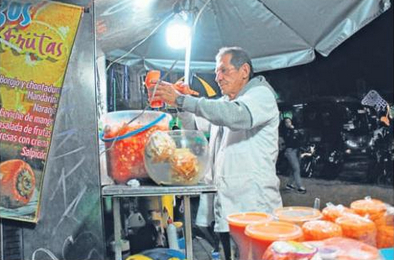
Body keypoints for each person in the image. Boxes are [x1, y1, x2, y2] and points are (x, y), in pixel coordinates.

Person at [153, 46, 283, 260]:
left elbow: (237, 116)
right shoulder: (225, 103)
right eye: (216, 72)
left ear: (244, 70)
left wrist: (182, 100)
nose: (218, 78)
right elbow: (195, 126)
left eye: (224, 71)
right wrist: (183, 104)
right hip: (227, 207)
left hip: (254, 207)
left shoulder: (260, 95)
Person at [282, 117, 307, 194]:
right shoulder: (285, 131)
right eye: (286, 122)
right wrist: (293, 130)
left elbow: (300, 138)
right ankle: (300, 187)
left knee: (294, 169)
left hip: (297, 150)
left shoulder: (294, 130)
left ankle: (289, 185)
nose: (288, 123)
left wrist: (297, 132)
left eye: (289, 122)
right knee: (296, 168)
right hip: (290, 151)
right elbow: (289, 140)